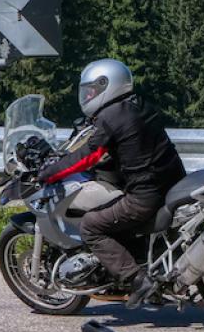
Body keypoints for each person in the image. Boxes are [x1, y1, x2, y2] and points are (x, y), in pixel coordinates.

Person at [38, 59, 187, 309]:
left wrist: (50, 173)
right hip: (172, 183)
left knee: (91, 225)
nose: (88, 96)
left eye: (91, 91)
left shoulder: (111, 117)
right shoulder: (139, 104)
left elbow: (88, 156)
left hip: (145, 196)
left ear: (107, 86)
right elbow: (132, 144)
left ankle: (138, 281)